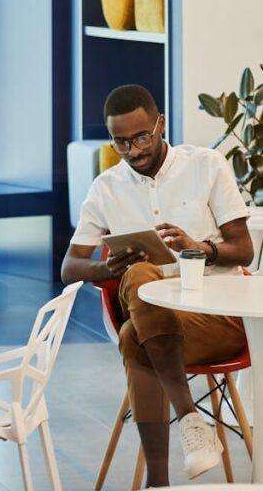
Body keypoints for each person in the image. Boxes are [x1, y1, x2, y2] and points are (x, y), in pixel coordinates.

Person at [61, 84, 253, 488]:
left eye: (141, 137)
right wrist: (107, 268)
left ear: (160, 124)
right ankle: (188, 428)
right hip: (159, 323)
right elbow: (69, 267)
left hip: (217, 321)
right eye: (121, 143)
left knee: (134, 336)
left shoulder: (206, 165)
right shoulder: (106, 187)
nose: (133, 151)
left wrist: (199, 249)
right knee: (136, 278)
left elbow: (244, 249)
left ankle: (160, 479)